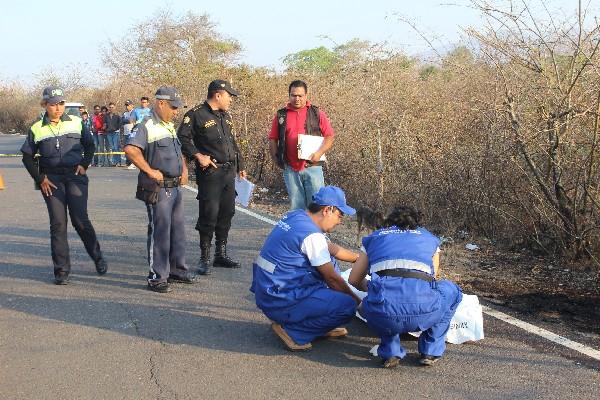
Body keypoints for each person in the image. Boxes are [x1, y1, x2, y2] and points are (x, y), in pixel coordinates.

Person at [348, 206, 463, 368]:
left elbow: (353, 280)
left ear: (389, 222)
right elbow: (432, 280)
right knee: (452, 291)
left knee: (383, 297)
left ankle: (390, 351)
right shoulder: (429, 239)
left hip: (381, 315)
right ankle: (430, 350)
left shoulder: (374, 238)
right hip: (424, 312)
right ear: (417, 222)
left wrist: (373, 289)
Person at [251, 185, 361, 351]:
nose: (340, 221)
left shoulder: (296, 216)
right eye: (340, 215)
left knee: (329, 260)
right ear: (328, 210)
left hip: (270, 291)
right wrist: (359, 303)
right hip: (281, 300)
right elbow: (332, 279)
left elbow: (329, 248)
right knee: (347, 306)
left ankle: (318, 324)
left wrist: (359, 259)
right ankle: (294, 331)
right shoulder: (312, 236)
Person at [20, 86, 108, 285]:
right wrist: (40, 178)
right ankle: (61, 270)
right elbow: (26, 157)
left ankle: (97, 256)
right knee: (58, 223)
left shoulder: (77, 122)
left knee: (80, 220)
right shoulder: (36, 128)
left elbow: (90, 145)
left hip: (75, 176)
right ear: (45, 105)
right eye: (53, 104)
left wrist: (85, 164)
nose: (58, 108)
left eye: (61, 104)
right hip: (51, 180)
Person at [124, 86, 197, 293]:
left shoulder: (169, 126)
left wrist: (183, 169)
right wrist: (149, 170)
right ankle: (157, 276)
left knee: (178, 231)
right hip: (158, 187)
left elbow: (178, 151)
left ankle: (177, 270)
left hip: (175, 188)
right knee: (161, 232)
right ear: (161, 103)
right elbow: (130, 149)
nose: (176, 111)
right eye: (173, 107)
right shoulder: (146, 125)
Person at [177, 80, 246, 275]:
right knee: (209, 213)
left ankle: (220, 254)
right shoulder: (196, 114)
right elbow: (182, 138)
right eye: (229, 96)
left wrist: (241, 166)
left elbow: (232, 142)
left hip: (228, 171)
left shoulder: (227, 116)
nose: (230, 100)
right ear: (218, 95)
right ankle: (204, 257)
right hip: (210, 173)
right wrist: (198, 155)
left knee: (227, 212)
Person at [268, 80, 335, 210]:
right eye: (293, 95)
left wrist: (319, 153)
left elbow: (329, 136)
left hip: (313, 167)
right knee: (297, 208)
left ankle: (315, 231)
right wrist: (276, 159)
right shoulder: (281, 115)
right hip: (291, 169)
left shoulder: (317, 113)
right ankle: (299, 231)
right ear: (289, 95)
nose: (297, 98)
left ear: (306, 95)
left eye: (300, 95)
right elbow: (273, 139)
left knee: (316, 206)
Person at [121, 100, 135, 167]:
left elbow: (131, 120)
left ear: (132, 105)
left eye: (128, 105)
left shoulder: (134, 112)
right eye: (126, 105)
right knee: (126, 148)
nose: (127, 107)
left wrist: (127, 120)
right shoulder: (124, 113)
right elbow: (122, 121)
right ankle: (128, 162)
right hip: (126, 132)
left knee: (131, 148)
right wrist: (127, 120)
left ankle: (133, 162)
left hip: (132, 132)